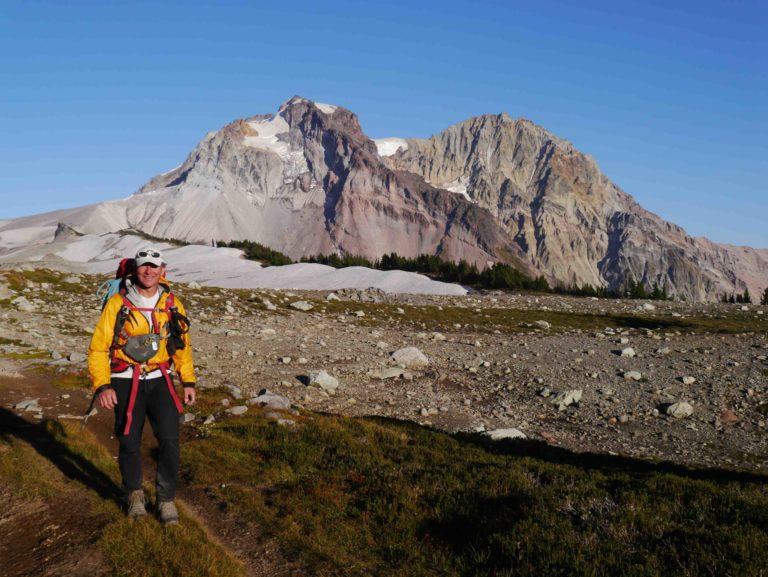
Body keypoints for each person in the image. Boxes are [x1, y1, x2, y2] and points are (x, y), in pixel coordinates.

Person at [87, 247, 196, 525]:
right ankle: (135, 494)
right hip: (124, 379)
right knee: (129, 441)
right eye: (143, 266)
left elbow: (181, 345)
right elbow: (98, 348)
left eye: (154, 266)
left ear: (163, 270)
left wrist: (188, 380)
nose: (149, 271)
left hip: (160, 378)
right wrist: (103, 386)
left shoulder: (172, 303)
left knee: (170, 440)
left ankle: (166, 499)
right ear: (135, 269)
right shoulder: (117, 304)